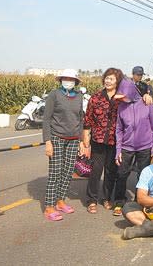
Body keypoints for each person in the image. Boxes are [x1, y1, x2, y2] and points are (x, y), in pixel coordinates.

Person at [42, 69, 85, 221]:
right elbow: (46, 119)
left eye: (71, 79)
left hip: (73, 139)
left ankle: (60, 202)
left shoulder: (79, 96)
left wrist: (80, 141)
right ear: (61, 80)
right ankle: (49, 206)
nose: (68, 81)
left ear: (76, 82)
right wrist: (48, 142)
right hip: (57, 138)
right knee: (55, 172)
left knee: (67, 173)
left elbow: (81, 119)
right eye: (65, 78)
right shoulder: (54, 94)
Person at [113, 79, 153, 216]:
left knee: (143, 175)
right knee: (121, 174)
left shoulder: (147, 104)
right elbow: (119, 130)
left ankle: (140, 202)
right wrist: (118, 150)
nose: (123, 99)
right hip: (126, 147)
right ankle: (119, 201)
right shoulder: (121, 107)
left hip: (145, 146)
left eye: (125, 96)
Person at [82, 68, 123, 214]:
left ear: (117, 81)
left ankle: (106, 198)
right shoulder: (96, 97)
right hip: (98, 140)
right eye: (106, 78)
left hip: (115, 141)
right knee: (96, 171)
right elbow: (88, 118)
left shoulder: (122, 98)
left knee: (111, 171)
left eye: (111, 78)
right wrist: (85, 137)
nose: (108, 81)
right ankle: (91, 200)